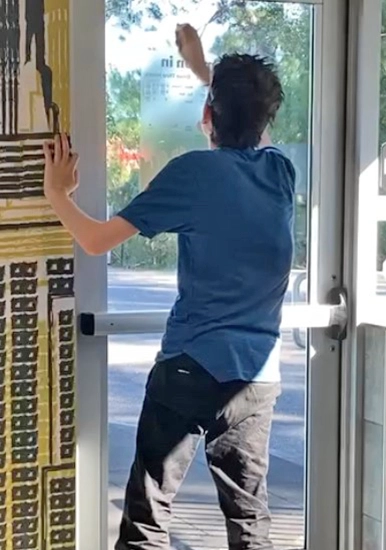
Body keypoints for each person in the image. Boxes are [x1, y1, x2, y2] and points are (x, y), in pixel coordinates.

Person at [43, 24, 295, 550]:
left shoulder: (193, 174)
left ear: (207, 116)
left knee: (147, 522)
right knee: (251, 526)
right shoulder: (280, 173)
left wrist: (57, 193)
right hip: (257, 380)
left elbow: (94, 240)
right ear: (266, 117)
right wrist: (209, 72)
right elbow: (252, 127)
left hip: (190, 367)